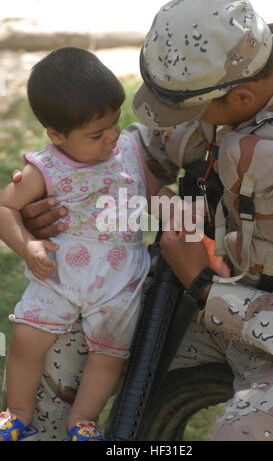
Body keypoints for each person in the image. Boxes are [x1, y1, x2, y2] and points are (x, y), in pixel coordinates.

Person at [5, 0, 273, 441]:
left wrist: (203, 284)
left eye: (187, 112)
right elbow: (139, 150)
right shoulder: (222, 77)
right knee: (50, 346)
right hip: (190, 298)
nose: (176, 122)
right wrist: (56, 190)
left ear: (241, 96)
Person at [0, 47, 177, 441]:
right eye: (97, 134)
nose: (112, 137)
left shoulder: (128, 151)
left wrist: (182, 214)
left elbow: (152, 193)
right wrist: (27, 245)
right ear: (57, 135)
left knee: (109, 353)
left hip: (119, 278)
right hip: (62, 270)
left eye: (115, 123)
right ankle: (17, 412)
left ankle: (83, 421)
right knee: (27, 338)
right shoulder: (45, 168)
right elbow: (5, 208)